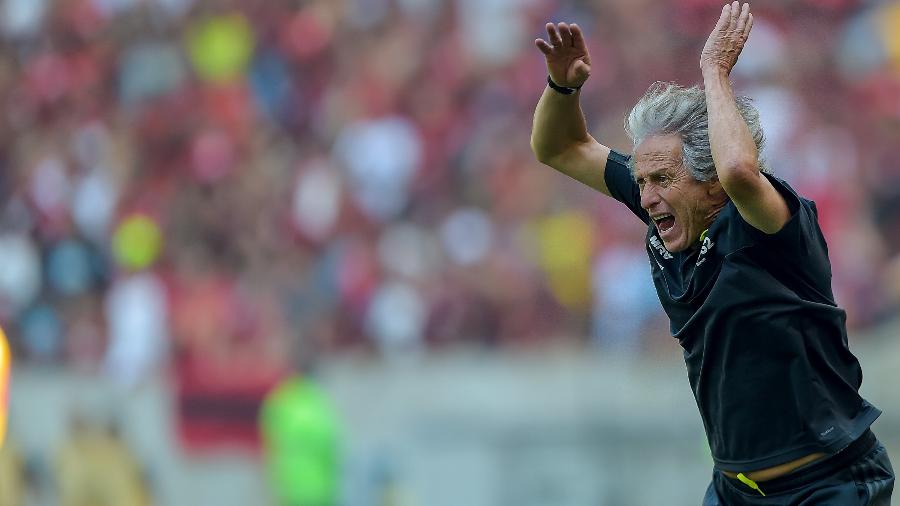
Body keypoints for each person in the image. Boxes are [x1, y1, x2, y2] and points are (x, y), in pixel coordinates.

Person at [531, 2, 894, 504]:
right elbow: (559, 148)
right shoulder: (666, 211)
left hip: (827, 484)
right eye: (641, 182)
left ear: (709, 184)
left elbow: (740, 173)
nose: (647, 195)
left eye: (662, 179)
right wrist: (563, 87)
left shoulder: (773, 225)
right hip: (734, 489)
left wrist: (715, 73)